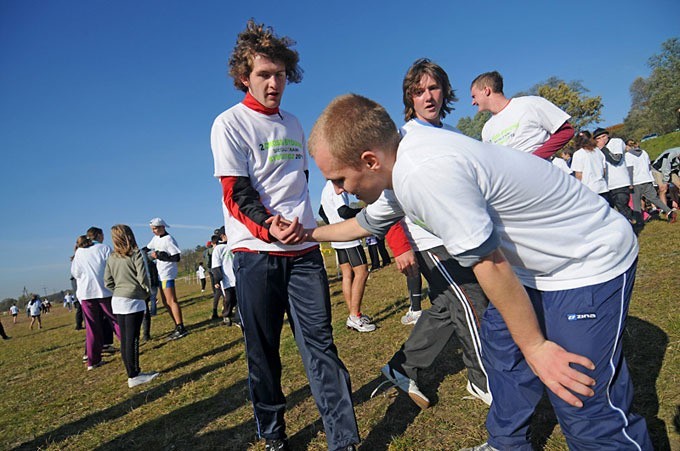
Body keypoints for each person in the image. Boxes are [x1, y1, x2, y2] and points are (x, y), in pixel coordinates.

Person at [305, 93, 652, 450]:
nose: (336, 189)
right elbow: (363, 225)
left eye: (338, 178)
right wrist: (306, 234)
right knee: (502, 350)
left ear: (369, 160)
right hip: (533, 269)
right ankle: (507, 444)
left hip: (585, 258)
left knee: (578, 395)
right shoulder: (397, 161)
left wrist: (535, 346)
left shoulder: (424, 172)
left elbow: (490, 264)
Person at [209, 20, 359, 451]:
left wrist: (298, 225)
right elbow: (235, 193)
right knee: (264, 351)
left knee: (320, 347)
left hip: (305, 250)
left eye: (279, 74)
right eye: (263, 75)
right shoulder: (229, 124)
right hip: (256, 252)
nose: (274, 83)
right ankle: (274, 435)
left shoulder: (294, 123)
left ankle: (343, 440)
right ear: (244, 76)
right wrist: (270, 225)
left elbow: (299, 182)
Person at [378, 58, 491, 406]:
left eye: (433, 88)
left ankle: (402, 366)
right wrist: (399, 244)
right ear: (409, 97)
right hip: (429, 240)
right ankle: (483, 380)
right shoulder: (403, 140)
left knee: (446, 305)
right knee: (472, 301)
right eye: (418, 91)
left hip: (463, 235)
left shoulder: (453, 135)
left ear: (444, 91)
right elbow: (387, 195)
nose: (427, 96)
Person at [470, 70, 574, 159]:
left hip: (542, 177)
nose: (473, 102)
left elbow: (566, 131)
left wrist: (534, 159)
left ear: (486, 91)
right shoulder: (486, 129)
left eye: (474, 96)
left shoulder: (531, 104)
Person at [104, 224, 160, 388]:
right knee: (133, 339)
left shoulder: (112, 257)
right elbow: (143, 278)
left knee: (125, 340)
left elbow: (107, 281)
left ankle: (132, 373)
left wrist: (120, 291)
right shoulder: (136, 254)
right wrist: (147, 294)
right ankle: (134, 374)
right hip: (134, 300)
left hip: (118, 300)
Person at [319, 180, 375, 332]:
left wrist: (332, 224)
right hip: (348, 236)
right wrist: (364, 212)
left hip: (336, 236)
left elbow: (321, 212)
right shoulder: (335, 187)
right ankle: (354, 316)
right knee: (362, 272)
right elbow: (343, 212)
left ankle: (354, 314)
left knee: (347, 275)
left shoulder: (325, 189)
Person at [71, 230, 121, 370]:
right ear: (99, 236)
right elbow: (113, 267)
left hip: (86, 293)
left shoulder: (79, 252)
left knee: (92, 327)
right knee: (116, 320)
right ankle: (129, 348)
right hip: (104, 291)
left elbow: (75, 273)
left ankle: (92, 361)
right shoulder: (104, 248)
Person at [144, 217, 188, 340]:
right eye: (152, 229)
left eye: (155, 228)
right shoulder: (155, 238)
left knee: (171, 300)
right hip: (160, 273)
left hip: (167, 273)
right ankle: (177, 325)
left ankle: (181, 327)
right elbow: (147, 248)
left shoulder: (169, 239)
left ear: (162, 227)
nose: (153, 231)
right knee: (165, 302)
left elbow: (176, 257)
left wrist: (159, 255)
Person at [625, 139, 676, 225]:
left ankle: (639, 222)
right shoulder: (644, 152)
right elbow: (649, 167)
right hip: (647, 179)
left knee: (636, 202)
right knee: (655, 199)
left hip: (636, 181)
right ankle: (669, 211)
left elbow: (630, 170)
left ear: (627, 146)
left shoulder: (628, 155)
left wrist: (630, 183)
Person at [593, 128, 635, 223]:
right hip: (606, 185)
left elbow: (616, 160)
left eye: (603, 136)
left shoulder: (616, 142)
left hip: (620, 182)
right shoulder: (596, 149)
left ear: (608, 135)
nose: (602, 140)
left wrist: (603, 148)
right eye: (598, 139)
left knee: (622, 207)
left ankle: (631, 229)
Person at [211, 227, 239, 326]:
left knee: (239, 298)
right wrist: (217, 280)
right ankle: (226, 316)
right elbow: (216, 266)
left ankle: (238, 317)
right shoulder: (218, 249)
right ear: (223, 236)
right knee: (228, 299)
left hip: (238, 277)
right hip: (227, 279)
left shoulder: (235, 245)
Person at [571, 130, 608, 197]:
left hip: (589, 189)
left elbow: (579, 175)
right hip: (602, 187)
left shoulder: (578, 154)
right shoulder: (598, 151)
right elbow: (604, 170)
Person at [651, 147, 680, 216]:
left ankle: (677, 204)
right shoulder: (671, 155)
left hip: (671, 169)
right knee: (663, 188)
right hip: (658, 169)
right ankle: (665, 209)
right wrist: (665, 181)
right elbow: (665, 169)